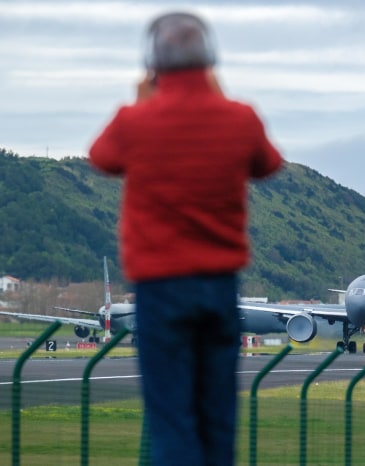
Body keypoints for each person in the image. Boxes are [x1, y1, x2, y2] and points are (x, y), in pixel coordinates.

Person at [89, 11, 283, 465]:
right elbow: (268, 163)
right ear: (211, 60)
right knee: (218, 418)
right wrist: (219, 98)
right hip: (219, 287)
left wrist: (141, 101)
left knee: (171, 419)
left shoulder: (135, 120)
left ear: (152, 62)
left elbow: (102, 156)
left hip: (160, 288)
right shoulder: (240, 118)